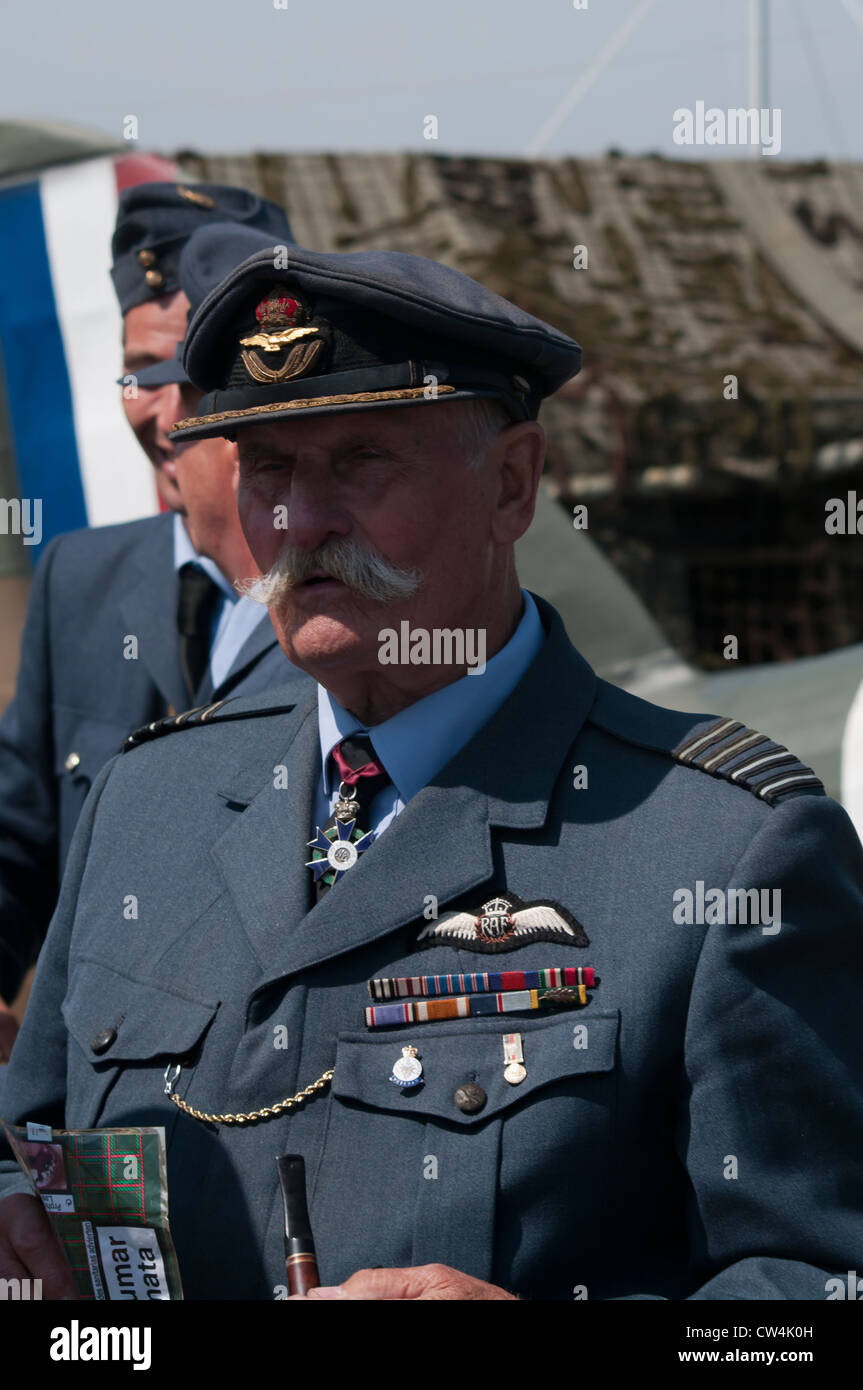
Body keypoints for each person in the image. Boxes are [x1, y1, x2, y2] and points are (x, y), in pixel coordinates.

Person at [1, 244, 861, 1301]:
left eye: (360, 459)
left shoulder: (722, 850)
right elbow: (32, 1160)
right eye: (267, 470)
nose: (301, 521)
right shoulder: (144, 805)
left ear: (511, 483)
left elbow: (821, 1288)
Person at [0, 185, 299, 1056]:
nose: (166, 418)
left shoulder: (356, 601)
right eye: (142, 375)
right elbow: (19, 833)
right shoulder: (81, 579)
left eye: (195, 375)